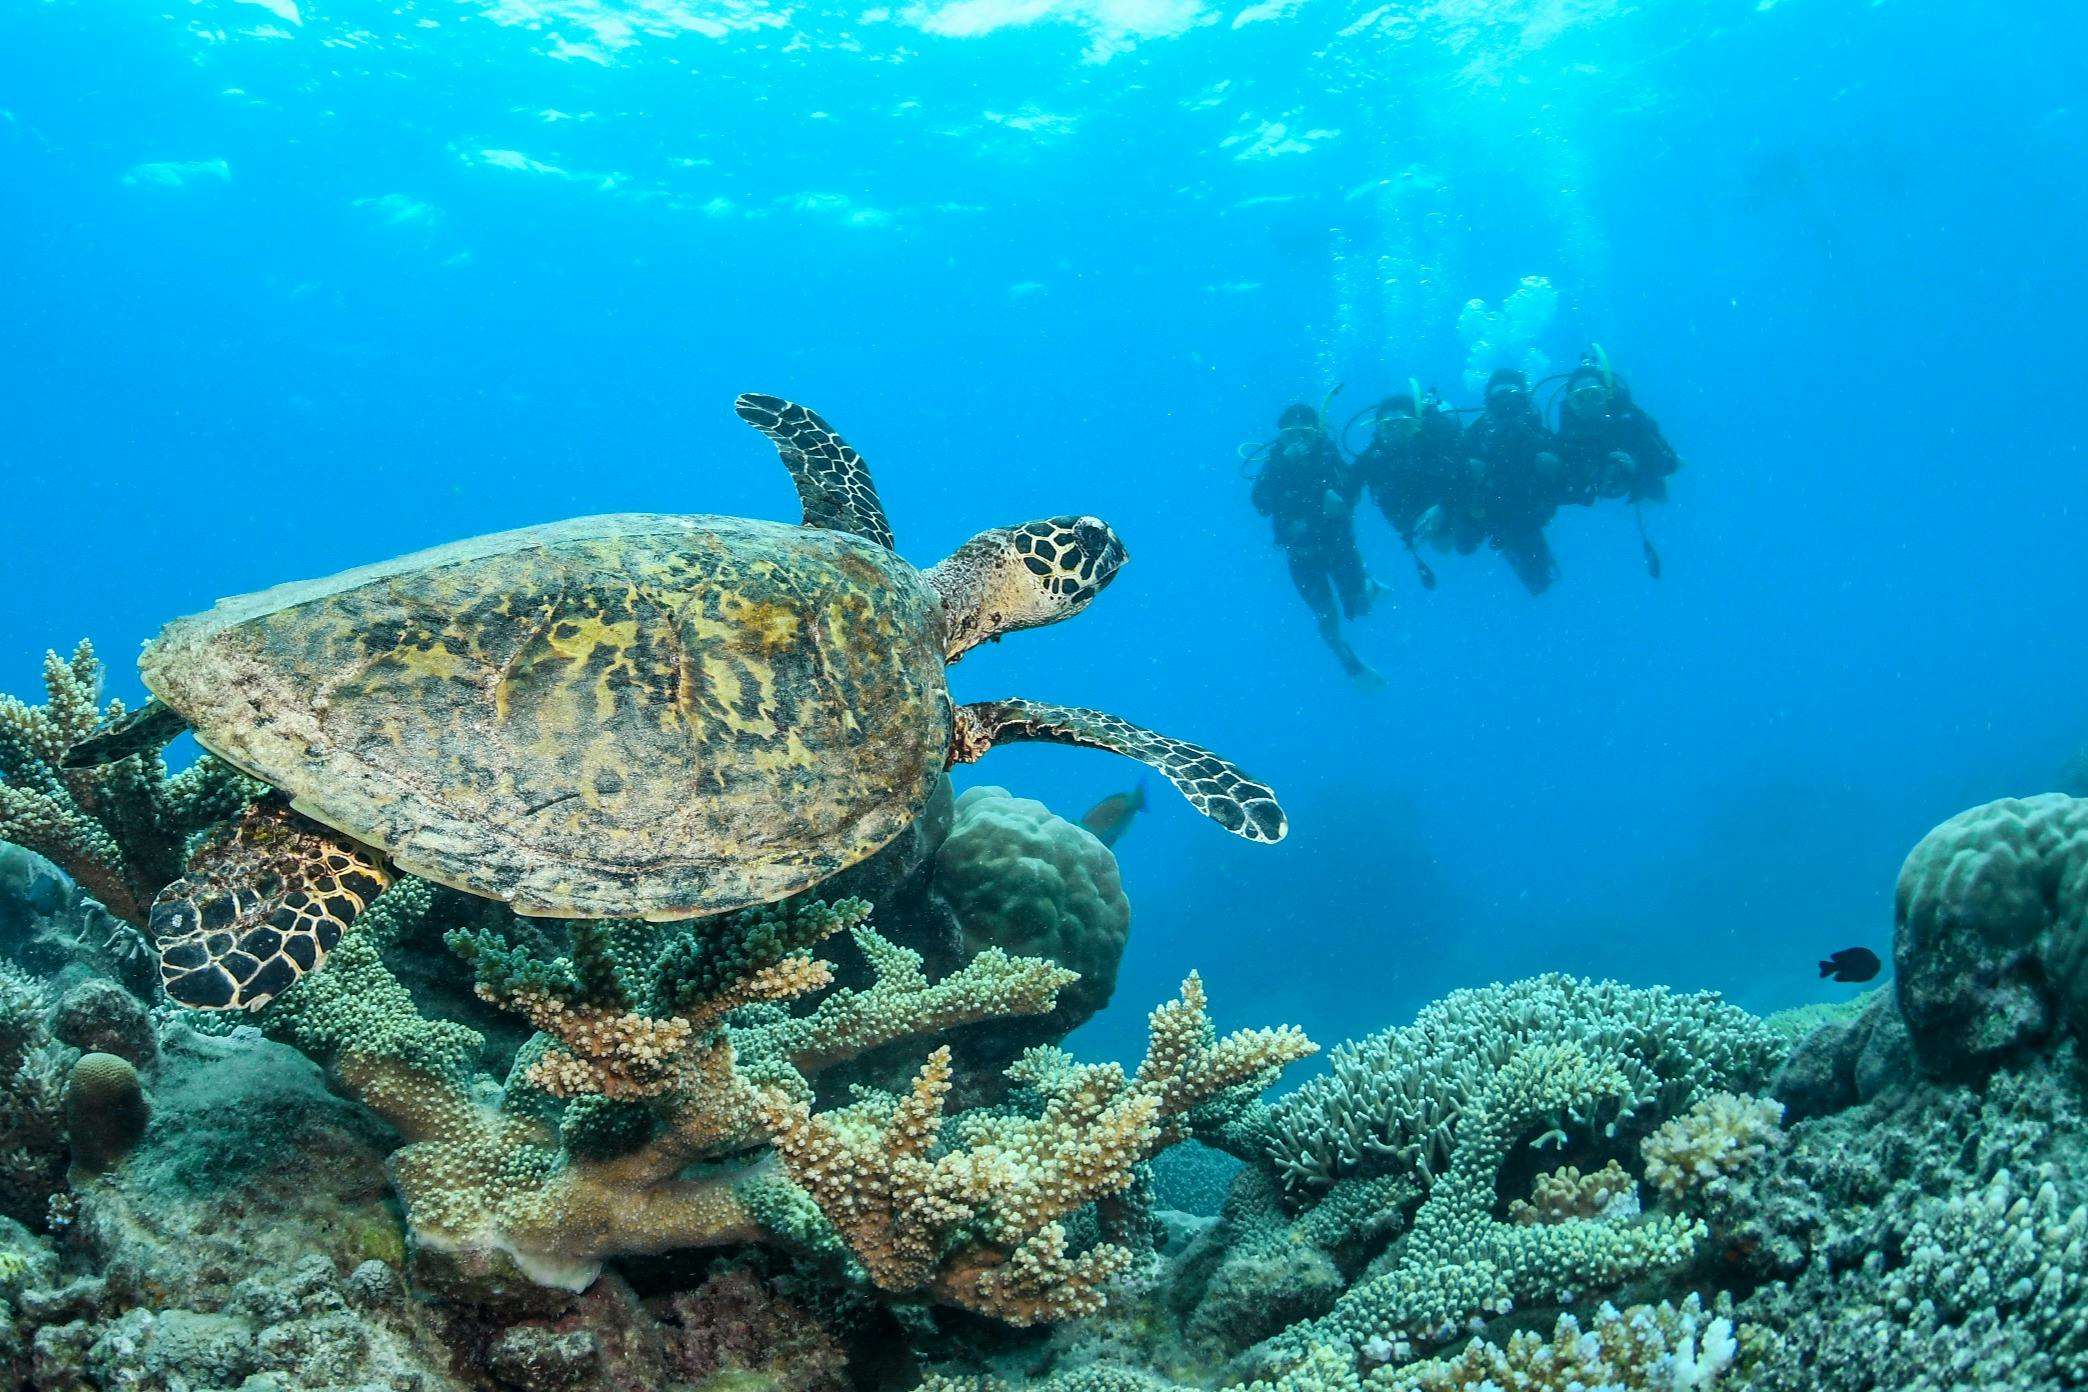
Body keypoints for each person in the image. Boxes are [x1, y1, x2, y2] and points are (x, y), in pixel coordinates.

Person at [1249, 402, 1386, 688]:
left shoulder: (1329, 457)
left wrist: (1335, 500)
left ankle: (1366, 582)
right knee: (1326, 615)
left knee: (1360, 607)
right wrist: (1283, 464)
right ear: (1281, 437)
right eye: (1290, 435)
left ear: (1317, 434)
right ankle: (1344, 657)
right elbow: (1260, 502)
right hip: (1302, 557)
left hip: (1340, 550)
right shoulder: (1274, 465)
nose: (1298, 441)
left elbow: (1353, 492)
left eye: (1305, 434)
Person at [1351, 387, 1474, 588]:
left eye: (1404, 425)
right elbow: (1347, 489)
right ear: (1378, 429)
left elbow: (1466, 475)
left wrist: (1444, 506)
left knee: (1450, 544)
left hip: (1444, 499)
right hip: (1416, 510)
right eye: (1388, 427)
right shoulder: (1372, 458)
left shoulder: (1434, 444)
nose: (1396, 432)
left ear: (1417, 425)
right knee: (1443, 545)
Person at [1462, 367, 1564, 595]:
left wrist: (1553, 465)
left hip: (1526, 509)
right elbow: (1456, 470)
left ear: (1524, 399)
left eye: (1514, 395)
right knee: (1463, 544)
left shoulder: (1535, 427)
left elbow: (1561, 465)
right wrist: (1468, 470)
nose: (1507, 402)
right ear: (1489, 401)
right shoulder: (1476, 432)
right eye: (1501, 396)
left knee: (1539, 579)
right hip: (1487, 509)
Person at [1555, 349, 1683, 505]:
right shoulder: (1570, 433)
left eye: (1595, 396)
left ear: (1607, 396)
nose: (1589, 405)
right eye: (1580, 399)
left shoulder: (1629, 421)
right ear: (1571, 404)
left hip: (1638, 470)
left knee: (1659, 493)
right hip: (1603, 480)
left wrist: (1636, 465)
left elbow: (1670, 462)